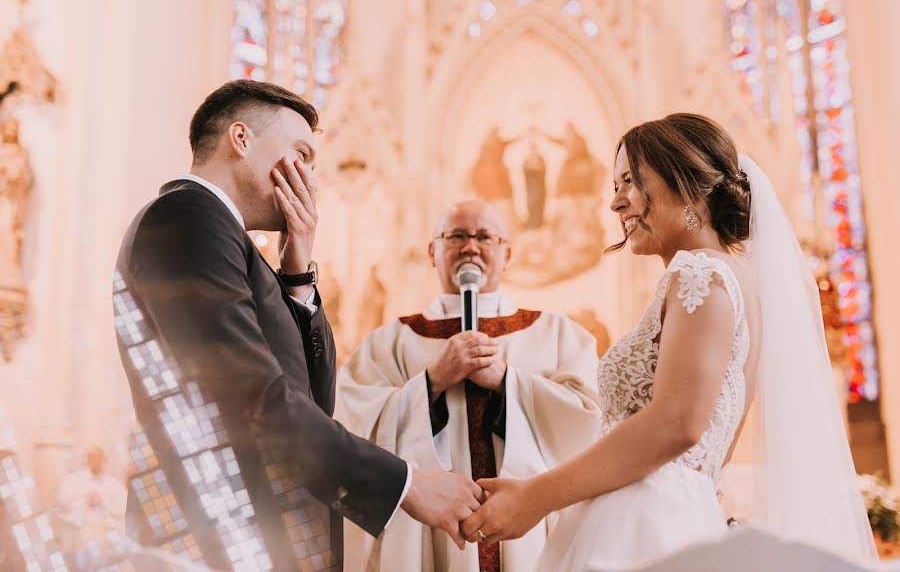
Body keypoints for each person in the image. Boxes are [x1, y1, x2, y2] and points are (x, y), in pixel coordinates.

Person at [461, 114, 877, 569]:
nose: (616, 203)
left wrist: (535, 498)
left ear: (687, 184)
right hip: (673, 514)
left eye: (630, 182)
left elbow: (676, 425)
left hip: (641, 524)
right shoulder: (738, 285)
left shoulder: (699, 274)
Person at [113, 80, 483, 571]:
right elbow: (252, 399)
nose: (309, 177)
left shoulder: (229, 239)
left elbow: (312, 397)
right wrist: (409, 484)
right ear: (241, 140)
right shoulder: (186, 217)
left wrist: (298, 271)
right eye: (301, 153)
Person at [335, 199, 602, 572]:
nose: (471, 246)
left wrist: (509, 382)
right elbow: (351, 431)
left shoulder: (557, 335)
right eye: (457, 235)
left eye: (485, 237)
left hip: (529, 539)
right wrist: (431, 382)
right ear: (433, 251)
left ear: (507, 254)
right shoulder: (387, 343)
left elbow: (590, 423)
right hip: (424, 533)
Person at [56, 446, 127, 550]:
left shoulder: (115, 486)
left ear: (104, 461)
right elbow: (61, 507)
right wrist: (84, 502)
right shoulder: (71, 482)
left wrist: (103, 504)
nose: (95, 462)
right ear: (84, 461)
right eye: (91, 458)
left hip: (108, 538)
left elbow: (122, 512)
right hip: (81, 540)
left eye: (99, 458)